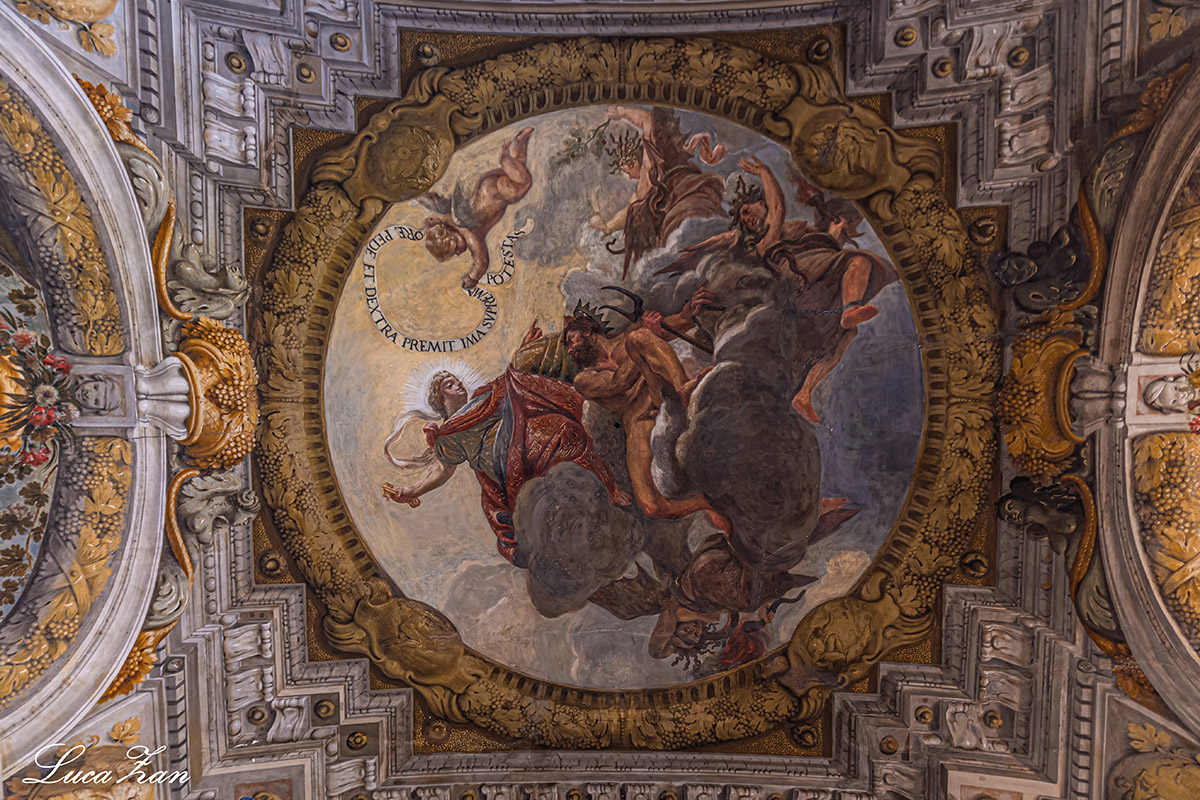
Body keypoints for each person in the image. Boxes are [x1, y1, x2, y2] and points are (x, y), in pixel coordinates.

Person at [662, 155, 896, 423]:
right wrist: (764, 172)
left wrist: (832, 224)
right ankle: (851, 307)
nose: (746, 219)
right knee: (859, 261)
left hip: (814, 280)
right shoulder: (763, 242)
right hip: (795, 278)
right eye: (742, 217)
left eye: (747, 211)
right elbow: (778, 208)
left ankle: (805, 392)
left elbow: (813, 229)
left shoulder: (798, 230)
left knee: (847, 333)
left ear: (759, 204)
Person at [382, 325, 631, 565]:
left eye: (456, 380)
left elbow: (510, 381)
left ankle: (608, 486)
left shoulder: (483, 396)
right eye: (449, 385)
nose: (458, 384)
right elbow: (441, 470)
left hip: (520, 433)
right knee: (550, 443)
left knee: (563, 429)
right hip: (501, 463)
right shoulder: (447, 434)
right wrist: (412, 490)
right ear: (440, 399)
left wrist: (523, 350)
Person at [562, 285, 727, 527]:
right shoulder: (584, 379)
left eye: (571, 340)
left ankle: (684, 389)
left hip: (665, 392)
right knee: (651, 506)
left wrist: (689, 311)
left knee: (637, 337)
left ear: (587, 330)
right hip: (639, 418)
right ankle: (705, 503)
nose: (570, 350)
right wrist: (647, 337)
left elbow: (681, 322)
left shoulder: (630, 336)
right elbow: (619, 382)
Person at [589, 106, 726, 277]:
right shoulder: (646, 181)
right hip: (683, 201)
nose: (629, 176)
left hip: (684, 195)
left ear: (633, 162)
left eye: (627, 171)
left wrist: (622, 112)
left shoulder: (648, 165)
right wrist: (609, 226)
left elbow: (647, 120)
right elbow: (629, 208)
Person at [420, 127, 534, 289]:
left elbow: (482, 261)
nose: (459, 252)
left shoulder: (470, 235)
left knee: (524, 183)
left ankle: (503, 157)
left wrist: (472, 278)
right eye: (455, 254)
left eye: (455, 247)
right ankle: (521, 142)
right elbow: (436, 204)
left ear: (450, 234)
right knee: (518, 170)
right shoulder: (446, 218)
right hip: (487, 187)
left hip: (493, 195)